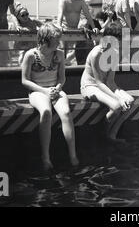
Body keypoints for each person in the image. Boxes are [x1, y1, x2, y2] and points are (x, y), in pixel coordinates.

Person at [21, 23, 79, 171]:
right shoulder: (30, 55)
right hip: (37, 91)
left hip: (55, 89)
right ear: (45, 40)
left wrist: (57, 88)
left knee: (65, 113)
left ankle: (72, 155)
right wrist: (44, 91)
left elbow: (62, 78)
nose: (58, 43)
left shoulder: (59, 54)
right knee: (46, 112)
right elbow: (25, 80)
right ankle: (45, 157)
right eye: (56, 40)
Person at [80, 23, 134, 140]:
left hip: (103, 85)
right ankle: (102, 135)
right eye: (119, 40)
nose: (120, 43)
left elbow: (110, 81)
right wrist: (118, 98)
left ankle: (112, 134)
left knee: (130, 101)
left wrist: (121, 96)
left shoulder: (115, 53)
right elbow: (99, 83)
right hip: (90, 86)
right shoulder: (96, 54)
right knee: (117, 106)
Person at [57, 0, 99, 65]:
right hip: (64, 28)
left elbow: (88, 15)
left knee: (76, 50)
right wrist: (59, 26)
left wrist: (93, 27)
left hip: (75, 28)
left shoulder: (81, 0)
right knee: (62, 51)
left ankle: (74, 65)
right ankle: (62, 67)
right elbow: (60, 13)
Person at [0, 0, 21, 66]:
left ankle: (5, 71)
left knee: (4, 51)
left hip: (4, 28)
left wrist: (18, 25)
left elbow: (12, 14)